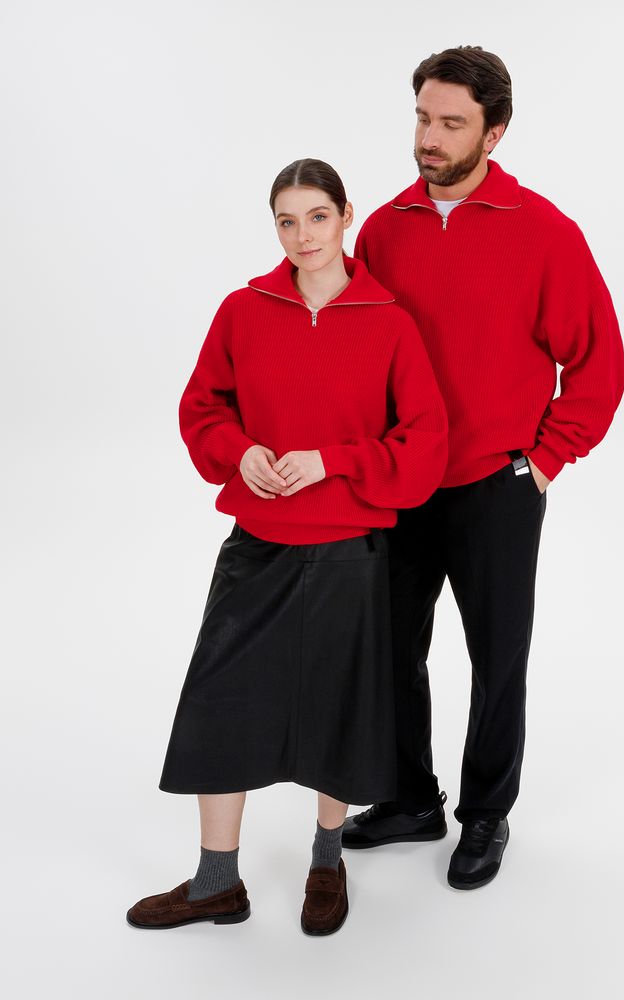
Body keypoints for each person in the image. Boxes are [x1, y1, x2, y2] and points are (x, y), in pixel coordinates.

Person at [126, 158, 448, 934]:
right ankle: (217, 882)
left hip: (349, 551)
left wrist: (333, 460)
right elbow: (203, 407)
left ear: (346, 216)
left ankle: (327, 862)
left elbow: (426, 443)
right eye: (286, 220)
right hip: (259, 543)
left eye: (317, 216)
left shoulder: (389, 321)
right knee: (218, 702)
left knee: (340, 708)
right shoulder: (244, 310)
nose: (303, 235)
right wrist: (238, 452)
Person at [343, 46, 624, 889]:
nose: (429, 138)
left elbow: (599, 364)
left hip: (497, 483)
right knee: (390, 650)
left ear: (494, 132)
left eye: (451, 123)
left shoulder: (544, 232)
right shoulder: (383, 229)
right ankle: (409, 799)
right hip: (401, 481)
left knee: (497, 660)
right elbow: (362, 355)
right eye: (422, 118)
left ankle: (485, 815)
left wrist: (545, 459)